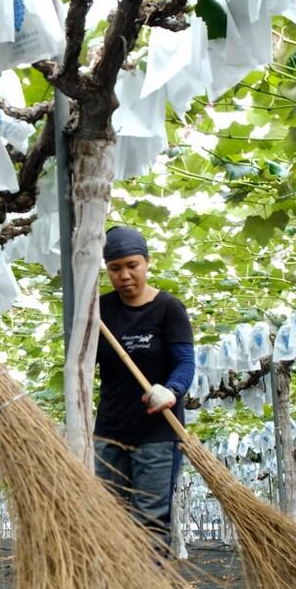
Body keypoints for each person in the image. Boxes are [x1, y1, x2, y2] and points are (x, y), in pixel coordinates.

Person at [93, 226, 194, 556]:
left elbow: (184, 363)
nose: (124, 275)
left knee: (149, 520)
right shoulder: (99, 311)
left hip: (158, 434)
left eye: (132, 265)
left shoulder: (169, 309)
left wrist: (172, 390)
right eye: (115, 268)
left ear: (147, 263)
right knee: (108, 515)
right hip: (109, 431)